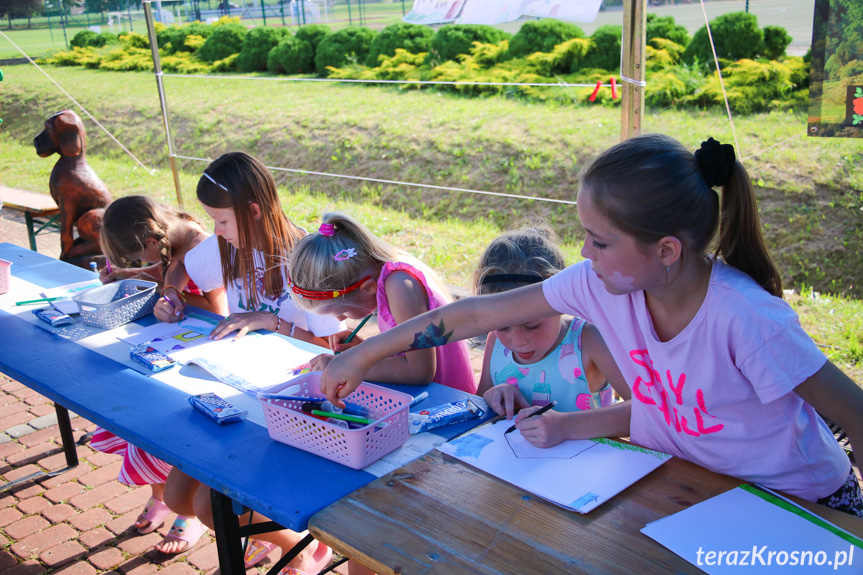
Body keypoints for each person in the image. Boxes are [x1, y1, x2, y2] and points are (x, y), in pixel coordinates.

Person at [319, 134, 863, 517]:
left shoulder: (745, 318)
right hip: (692, 491)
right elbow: (474, 315)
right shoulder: (602, 283)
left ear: (667, 250)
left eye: (599, 241)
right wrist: (361, 356)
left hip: (801, 505)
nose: (583, 252)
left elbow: (854, 413)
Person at [163, 152, 342, 570]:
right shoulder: (227, 246)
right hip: (236, 393)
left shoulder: (305, 257)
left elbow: (329, 349)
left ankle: (303, 547)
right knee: (177, 499)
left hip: (289, 401)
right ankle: (269, 533)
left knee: (210, 507)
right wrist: (169, 294)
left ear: (254, 211)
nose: (216, 231)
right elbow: (180, 266)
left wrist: (272, 322)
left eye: (221, 221)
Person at [93, 195, 228, 554]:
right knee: (138, 419)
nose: (142, 263)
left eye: (140, 256)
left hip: (203, 361)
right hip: (174, 351)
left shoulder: (201, 249)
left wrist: (164, 293)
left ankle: (189, 512)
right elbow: (162, 272)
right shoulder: (173, 242)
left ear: (153, 241)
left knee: (175, 433)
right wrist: (127, 275)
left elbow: (218, 310)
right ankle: (163, 496)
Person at [289, 211, 477, 393]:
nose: (339, 319)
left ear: (368, 288)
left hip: (449, 405)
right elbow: (407, 350)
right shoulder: (388, 275)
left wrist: (349, 365)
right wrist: (364, 350)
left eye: (342, 313)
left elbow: (419, 371)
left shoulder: (400, 286)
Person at [474, 224, 630, 420]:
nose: (518, 341)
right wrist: (493, 395)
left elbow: (646, 412)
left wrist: (566, 426)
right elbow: (479, 404)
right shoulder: (495, 343)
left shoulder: (588, 341)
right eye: (502, 327)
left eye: (532, 326)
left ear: (561, 300)